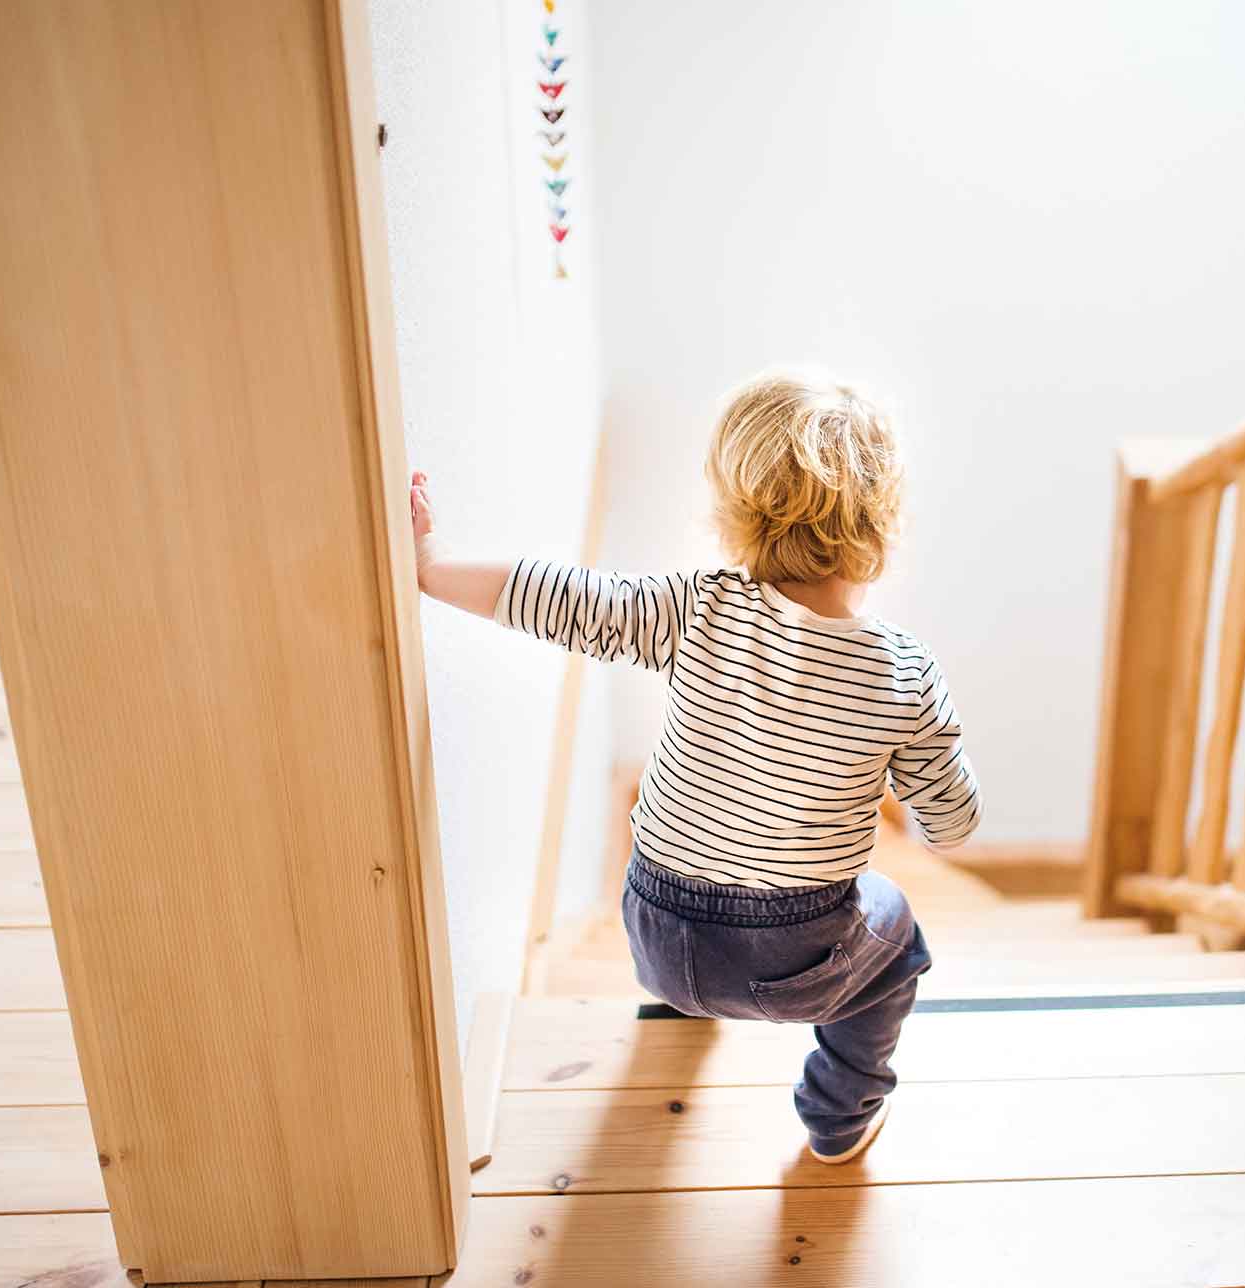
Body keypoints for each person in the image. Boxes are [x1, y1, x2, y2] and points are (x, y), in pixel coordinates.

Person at [410, 371, 980, 1163]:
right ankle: (840, 1117)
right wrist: (916, 764)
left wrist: (432, 566)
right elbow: (950, 828)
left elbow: (566, 598)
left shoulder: (697, 606)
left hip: (653, 930)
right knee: (897, 940)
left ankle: (682, 1010)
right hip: (791, 965)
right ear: (884, 522)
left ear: (735, 512)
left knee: (697, 875)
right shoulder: (905, 677)